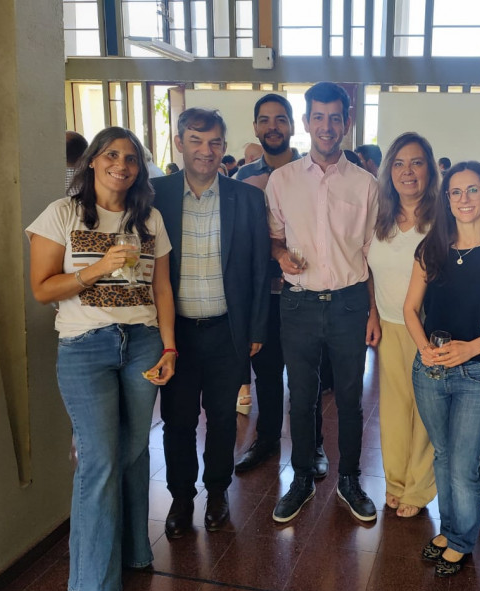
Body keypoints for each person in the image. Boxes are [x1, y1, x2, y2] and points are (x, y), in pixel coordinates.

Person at [27, 126, 176, 591]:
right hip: (85, 346)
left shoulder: (148, 218)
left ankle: (134, 551)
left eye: (131, 158)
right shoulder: (62, 214)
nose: (121, 165)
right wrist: (97, 267)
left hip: (143, 342)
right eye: (112, 155)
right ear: (93, 161)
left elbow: (162, 290)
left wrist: (170, 349)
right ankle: (92, 582)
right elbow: (42, 288)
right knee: (100, 460)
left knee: (133, 454)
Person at [154, 108, 270, 539]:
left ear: (224, 147)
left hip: (227, 330)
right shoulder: (154, 194)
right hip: (176, 332)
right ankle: (182, 496)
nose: (206, 150)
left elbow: (260, 269)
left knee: (223, 418)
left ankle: (218, 491)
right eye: (197, 141)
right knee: (178, 420)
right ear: (180, 141)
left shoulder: (247, 198)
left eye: (215, 142)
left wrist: (256, 329)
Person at [267, 82, 380, 523]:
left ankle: (349, 479)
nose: (327, 126)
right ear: (306, 122)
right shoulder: (282, 180)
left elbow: (371, 253)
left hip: (351, 302)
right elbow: (274, 237)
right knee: (301, 394)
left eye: (336, 117)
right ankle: (300, 477)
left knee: (351, 396)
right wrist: (279, 256)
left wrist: (372, 310)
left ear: (347, 122)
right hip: (298, 304)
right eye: (319, 117)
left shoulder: (367, 185)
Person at [404, 160, 480, 577]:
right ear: (447, 199)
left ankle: (461, 540)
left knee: (464, 462)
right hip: (431, 369)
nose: (464, 199)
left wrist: (469, 348)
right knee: (442, 454)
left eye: (473, 190)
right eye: (456, 192)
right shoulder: (431, 247)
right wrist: (425, 350)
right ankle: (450, 527)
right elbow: (410, 308)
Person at [233, 93, 327, 477]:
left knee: (309, 375)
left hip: (305, 291)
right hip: (262, 296)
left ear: (293, 124)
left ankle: (313, 443)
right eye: (265, 120)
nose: (273, 126)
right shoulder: (242, 178)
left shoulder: (312, 172)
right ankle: (268, 438)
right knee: (268, 374)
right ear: (256, 127)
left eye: (280, 119)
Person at [367, 132, 439, 518]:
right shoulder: (379, 216)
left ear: (429, 169)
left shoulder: (442, 219)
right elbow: (370, 272)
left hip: (428, 331)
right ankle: (395, 482)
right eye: (398, 163)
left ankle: (419, 488)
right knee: (394, 410)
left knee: (426, 413)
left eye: (416, 162)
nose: (407, 171)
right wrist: (373, 314)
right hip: (391, 325)